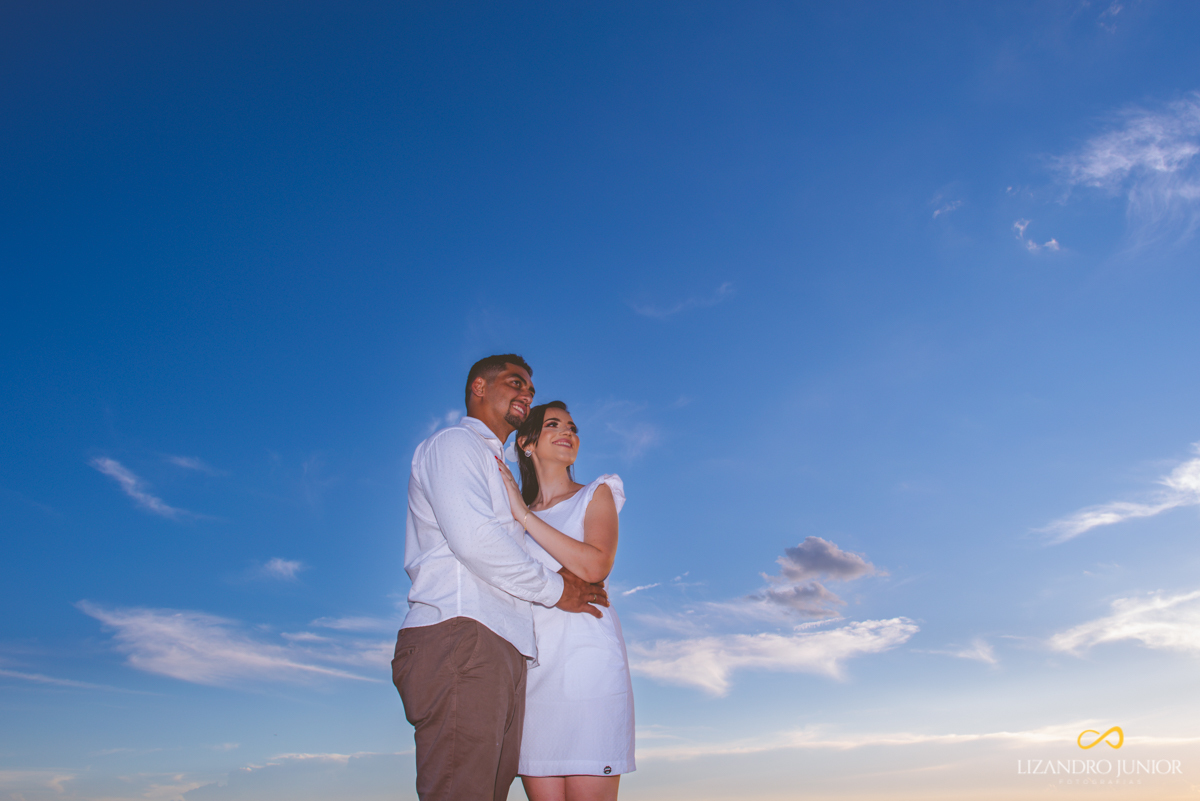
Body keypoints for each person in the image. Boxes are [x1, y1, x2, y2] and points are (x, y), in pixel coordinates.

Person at [392, 356, 610, 801]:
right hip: (460, 633)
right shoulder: (455, 445)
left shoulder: (497, 466)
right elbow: (475, 541)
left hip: (500, 648)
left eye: (530, 387)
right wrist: (559, 590)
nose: (526, 393)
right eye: (516, 383)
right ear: (479, 387)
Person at [494, 401, 635, 801]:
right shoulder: (509, 521)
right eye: (553, 424)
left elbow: (594, 564)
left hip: (588, 669)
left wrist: (524, 515)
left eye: (572, 427)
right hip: (534, 677)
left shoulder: (597, 493)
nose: (567, 433)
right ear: (526, 443)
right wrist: (520, 517)